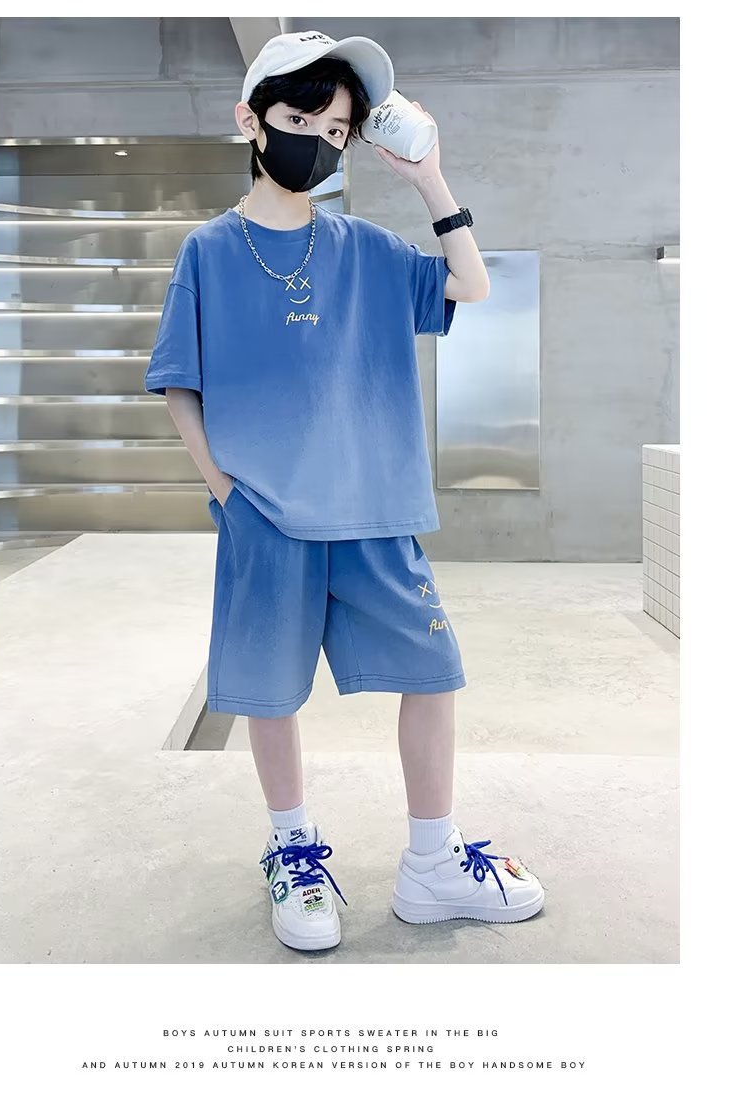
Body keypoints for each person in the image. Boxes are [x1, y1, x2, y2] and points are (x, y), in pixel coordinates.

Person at [144, 29, 545, 952]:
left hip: (375, 511)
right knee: (269, 693)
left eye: (336, 131)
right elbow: (178, 383)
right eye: (300, 120)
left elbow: (472, 284)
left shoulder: (367, 247)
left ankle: (432, 863)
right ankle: (292, 849)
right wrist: (227, 491)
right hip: (267, 516)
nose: (320, 143)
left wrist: (428, 178)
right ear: (251, 120)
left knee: (435, 674)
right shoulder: (208, 251)